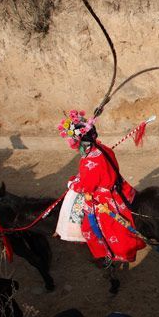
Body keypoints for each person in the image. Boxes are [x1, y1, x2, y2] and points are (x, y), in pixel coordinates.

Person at [57, 110, 145, 264]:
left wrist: (72, 182)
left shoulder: (88, 162)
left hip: (105, 197)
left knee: (88, 228)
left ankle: (108, 253)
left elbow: (86, 187)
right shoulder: (103, 149)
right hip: (119, 186)